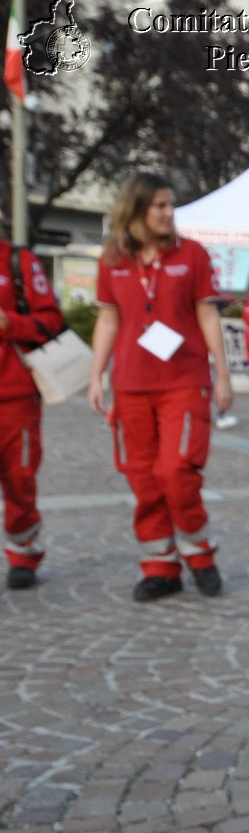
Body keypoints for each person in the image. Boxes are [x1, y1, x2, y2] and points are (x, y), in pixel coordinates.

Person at [88, 172, 231, 601]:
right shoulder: (113, 260)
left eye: (171, 205)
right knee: (143, 479)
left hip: (183, 382)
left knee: (176, 473)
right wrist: (96, 377)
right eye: (161, 206)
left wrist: (222, 374)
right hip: (131, 386)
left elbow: (208, 316)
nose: (170, 213)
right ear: (136, 210)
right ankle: (160, 567)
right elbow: (108, 319)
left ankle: (200, 555)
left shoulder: (193, 255)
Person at [0, 218, 67, 590]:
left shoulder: (17, 262)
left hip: (14, 395)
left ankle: (23, 552)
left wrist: (10, 322)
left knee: (19, 479)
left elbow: (51, 320)